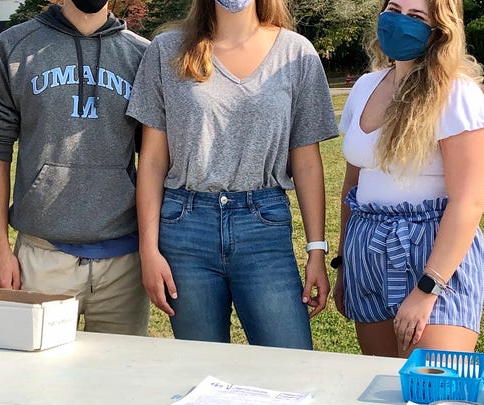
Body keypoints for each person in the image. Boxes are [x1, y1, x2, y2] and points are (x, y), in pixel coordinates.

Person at [126, 0, 339, 348]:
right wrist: (148, 250)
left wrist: (317, 249)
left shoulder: (296, 53)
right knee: (201, 372)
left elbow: (306, 161)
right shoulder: (167, 50)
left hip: (263, 228)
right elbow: (151, 161)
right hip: (185, 230)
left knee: (289, 365)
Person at [332, 0, 484, 358]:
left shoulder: (456, 93)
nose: (398, 22)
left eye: (416, 17)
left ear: (439, 30)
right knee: (381, 386)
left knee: (431, 393)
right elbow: (353, 188)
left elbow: (469, 201)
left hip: (430, 253)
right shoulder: (364, 87)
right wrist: (345, 262)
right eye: (393, 9)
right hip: (367, 251)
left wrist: (427, 289)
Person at [0, 0, 151, 335]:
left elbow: (154, 161)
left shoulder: (142, 55)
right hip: (42, 256)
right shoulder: (13, 47)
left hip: (124, 262)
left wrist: (152, 247)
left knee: (119, 381)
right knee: (41, 383)